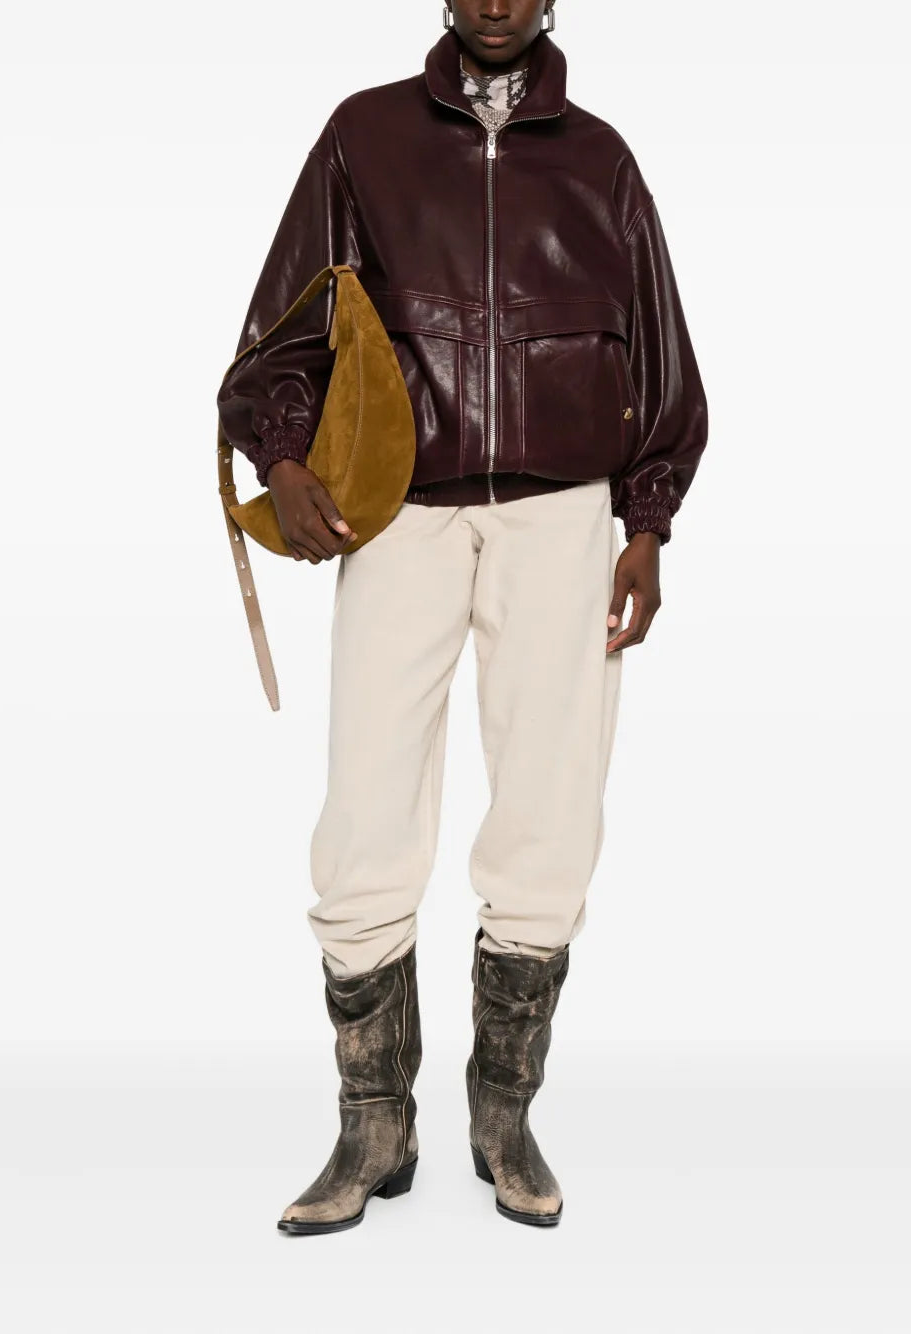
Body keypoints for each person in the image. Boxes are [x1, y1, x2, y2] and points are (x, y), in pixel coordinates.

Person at [216, 0, 708, 1234]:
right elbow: (282, 326)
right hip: (398, 508)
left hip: (561, 515)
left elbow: (659, 350)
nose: (495, 0)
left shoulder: (599, 159)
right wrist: (284, 456)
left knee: (551, 806)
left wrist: (645, 524)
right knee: (365, 807)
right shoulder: (364, 137)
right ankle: (372, 1124)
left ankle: (503, 1114)